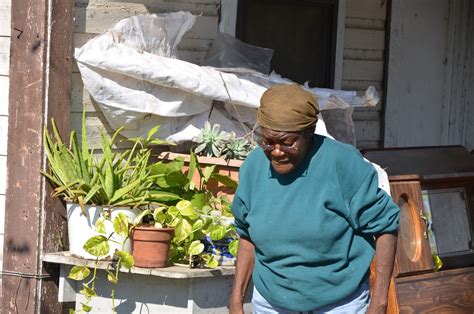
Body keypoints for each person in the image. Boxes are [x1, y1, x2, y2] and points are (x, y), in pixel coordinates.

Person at [229, 84, 399, 314]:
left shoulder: (341, 163)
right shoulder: (254, 168)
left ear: (309, 132)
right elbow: (246, 235)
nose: (276, 151)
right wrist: (236, 299)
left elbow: (386, 227)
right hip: (271, 303)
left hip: (338, 304)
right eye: (268, 141)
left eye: (287, 143)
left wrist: (378, 304)